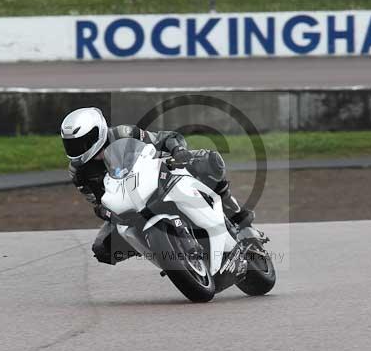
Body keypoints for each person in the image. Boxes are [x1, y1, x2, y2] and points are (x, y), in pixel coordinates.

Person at [61, 107, 253, 265]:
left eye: (83, 142)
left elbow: (165, 138)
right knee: (102, 249)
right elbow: (97, 201)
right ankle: (164, 251)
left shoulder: (122, 134)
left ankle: (237, 216)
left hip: (159, 175)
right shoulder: (78, 171)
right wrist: (105, 212)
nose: (78, 149)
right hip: (128, 203)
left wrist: (178, 151)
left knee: (209, 161)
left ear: (99, 131)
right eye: (72, 145)